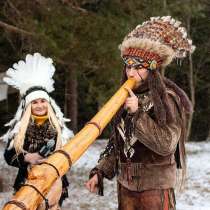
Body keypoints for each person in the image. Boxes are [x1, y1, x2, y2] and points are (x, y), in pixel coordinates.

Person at [85, 16, 195, 210]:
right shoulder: (124, 98)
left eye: (139, 67)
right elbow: (117, 142)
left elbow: (167, 145)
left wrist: (137, 115)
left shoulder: (167, 99)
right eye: (128, 66)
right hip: (126, 189)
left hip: (155, 191)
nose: (131, 73)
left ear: (152, 70)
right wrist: (100, 172)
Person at [1, 53, 74, 210]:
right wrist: (27, 157)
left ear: (48, 103)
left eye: (42, 101)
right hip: (26, 184)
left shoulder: (58, 127)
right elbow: (8, 156)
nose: (39, 105)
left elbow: (69, 156)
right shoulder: (19, 129)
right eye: (34, 102)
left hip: (54, 184)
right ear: (28, 106)